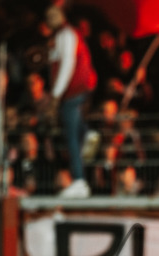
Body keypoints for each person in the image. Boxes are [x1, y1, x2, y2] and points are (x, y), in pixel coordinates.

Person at [46, 3, 97, 198]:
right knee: (76, 132)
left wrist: (56, 94)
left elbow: (68, 64)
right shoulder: (61, 36)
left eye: (53, 14)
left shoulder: (66, 35)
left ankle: (79, 180)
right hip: (77, 90)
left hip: (73, 91)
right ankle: (89, 133)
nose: (49, 19)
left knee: (71, 138)